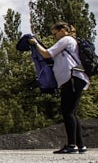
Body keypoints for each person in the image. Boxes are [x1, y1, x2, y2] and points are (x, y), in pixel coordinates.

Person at [29, 21, 90, 154]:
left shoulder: (66, 40)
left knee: (67, 111)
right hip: (76, 78)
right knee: (72, 112)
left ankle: (72, 145)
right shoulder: (73, 42)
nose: (54, 36)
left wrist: (35, 43)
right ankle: (80, 145)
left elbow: (46, 54)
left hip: (71, 78)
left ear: (62, 30)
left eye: (55, 33)